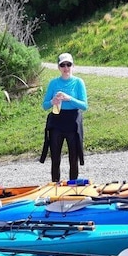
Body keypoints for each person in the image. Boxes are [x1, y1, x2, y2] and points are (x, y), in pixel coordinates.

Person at [40, 53, 88, 182]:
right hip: (57, 120)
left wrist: (69, 98)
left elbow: (84, 106)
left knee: (74, 156)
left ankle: (73, 184)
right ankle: (55, 184)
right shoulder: (53, 83)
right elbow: (44, 106)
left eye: (68, 65)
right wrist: (52, 102)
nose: (66, 68)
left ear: (73, 66)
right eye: (63, 65)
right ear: (59, 67)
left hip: (72, 121)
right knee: (55, 156)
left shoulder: (78, 82)